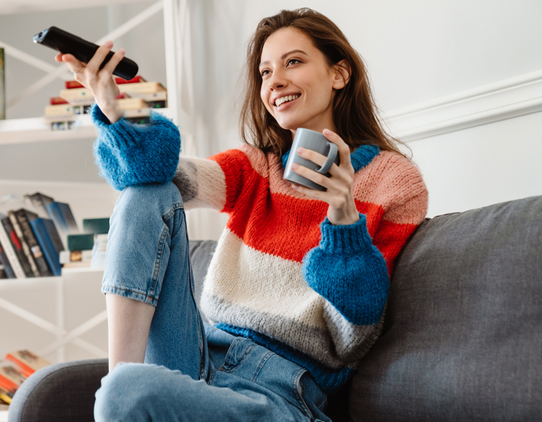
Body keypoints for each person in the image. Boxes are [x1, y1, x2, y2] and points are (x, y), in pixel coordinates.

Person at [56, 7, 428, 421]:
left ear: (339, 74)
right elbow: (153, 173)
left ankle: (121, 394)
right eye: (265, 72)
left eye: (293, 62)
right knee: (145, 194)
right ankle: (119, 380)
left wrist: (342, 217)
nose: (276, 81)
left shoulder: (394, 181)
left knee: (127, 394)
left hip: (280, 391)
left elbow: (354, 336)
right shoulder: (256, 168)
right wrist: (115, 110)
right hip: (199, 359)